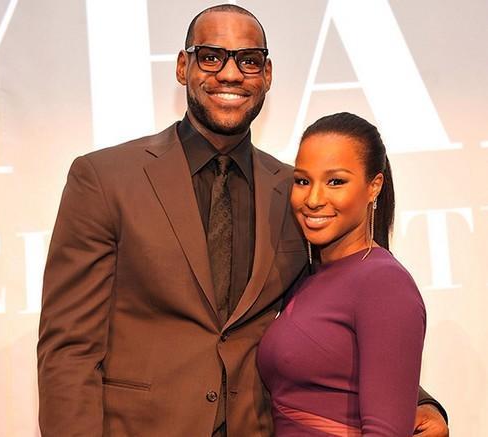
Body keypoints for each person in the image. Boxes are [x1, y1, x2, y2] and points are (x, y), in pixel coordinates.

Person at [37, 5, 448, 437]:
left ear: (266, 75)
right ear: (182, 66)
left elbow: (335, 308)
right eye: (211, 56)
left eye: (249, 60)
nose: (230, 74)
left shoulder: (296, 192)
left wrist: (419, 402)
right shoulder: (105, 179)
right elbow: (69, 348)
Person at [257, 112, 435, 436]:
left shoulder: (383, 283)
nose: (313, 199)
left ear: (374, 186)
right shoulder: (310, 278)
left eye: (335, 182)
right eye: (303, 181)